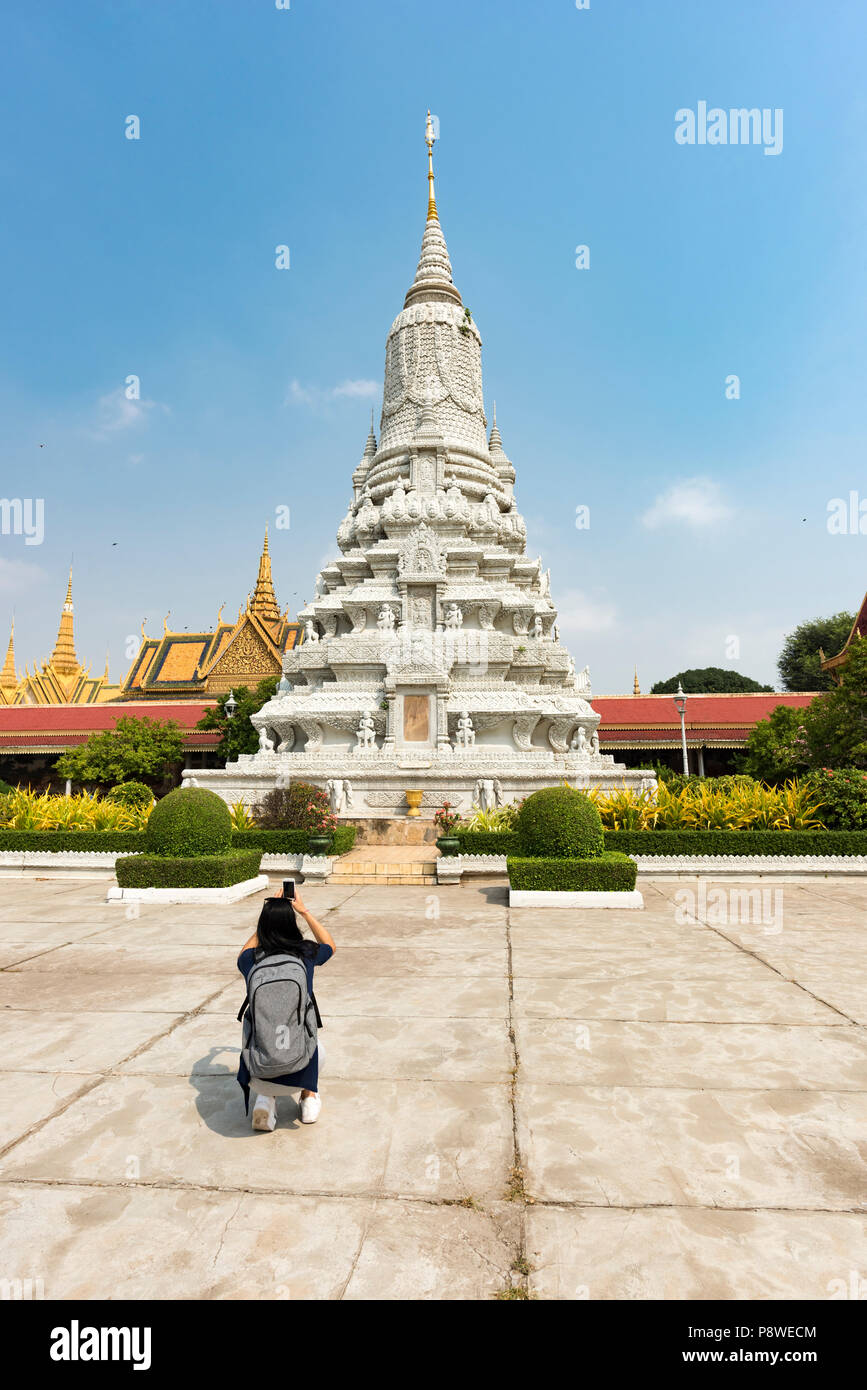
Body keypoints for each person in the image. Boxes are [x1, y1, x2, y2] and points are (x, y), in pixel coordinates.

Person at [236, 886, 335, 1132]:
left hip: (258, 1072)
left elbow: (242, 953)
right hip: (301, 1067)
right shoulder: (306, 953)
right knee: (316, 1043)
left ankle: (265, 1101)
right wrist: (303, 911)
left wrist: (266, 920)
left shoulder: (251, 960)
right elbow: (330, 945)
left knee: (256, 1039)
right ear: (291, 923)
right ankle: (308, 1099)